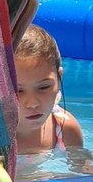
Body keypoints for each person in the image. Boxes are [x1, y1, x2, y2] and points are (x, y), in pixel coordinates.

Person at [15, 24, 83, 154]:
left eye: (44, 87)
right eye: (19, 91)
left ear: (59, 78)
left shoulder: (65, 130)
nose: (32, 103)